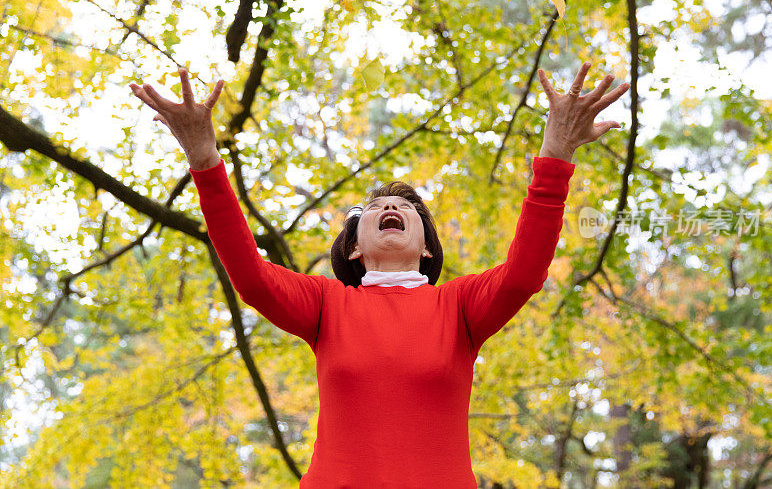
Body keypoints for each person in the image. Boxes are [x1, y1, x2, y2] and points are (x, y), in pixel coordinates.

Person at [129, 61, 629, 487]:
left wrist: (556, 155)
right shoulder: (328, 305)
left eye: (406, 206)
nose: (390, 205)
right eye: (374, 207)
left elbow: (523, 274)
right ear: (354, 251)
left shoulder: (458, 308)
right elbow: (251, 275)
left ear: (429, 251)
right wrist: (204, 158)